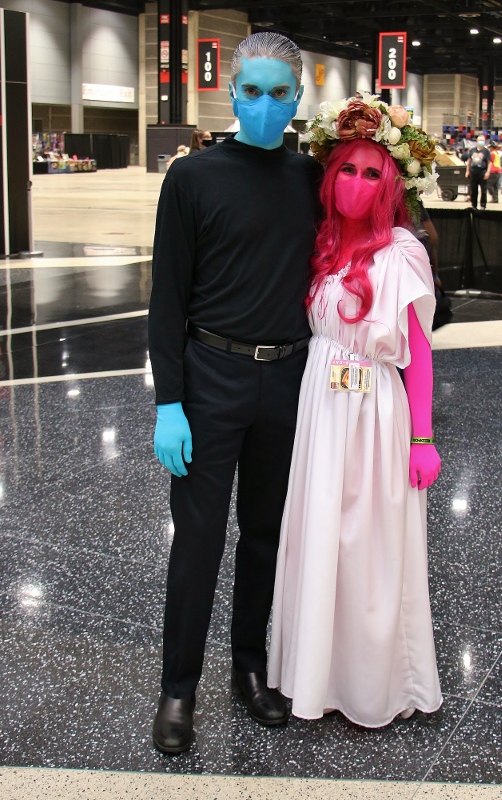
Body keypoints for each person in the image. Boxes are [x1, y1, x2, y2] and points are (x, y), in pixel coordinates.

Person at [148, 32, 321, 754]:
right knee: (197, 541)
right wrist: (168, 401)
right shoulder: (192, 178)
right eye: (251, 91)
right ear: (231, 92)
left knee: (265, 536)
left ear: (298, 97)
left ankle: (249, 668)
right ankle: (178, 688)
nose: (264, 105)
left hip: (287, 378)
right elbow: (166, 295)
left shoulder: (312, 179)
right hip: (210, 377)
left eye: (279, 93)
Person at [268, 96, 443, 727]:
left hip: (374, 415)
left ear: (392, 183)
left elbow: (418, 353)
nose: (358, 182)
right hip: (321, 406)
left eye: (373, 172)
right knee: (319, 538)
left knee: (369, 547)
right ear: (330, 173)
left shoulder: (402, 252)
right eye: (348, 168)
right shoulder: (320, 244)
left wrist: (423, 437)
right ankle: (314, 675)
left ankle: (373, 684)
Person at [465, 135, 491, 210]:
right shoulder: (472, 150)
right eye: (480, 140)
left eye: (483, 140)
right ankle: (474, 205)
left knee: (483, 190)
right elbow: (469, 161)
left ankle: (483, 205)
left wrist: (488, 172)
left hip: (482, 172)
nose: (481, 142)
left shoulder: (486, 151)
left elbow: (489, 162)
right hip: (473, 172)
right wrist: (467, 171)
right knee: (474, 190)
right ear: (477, 141)